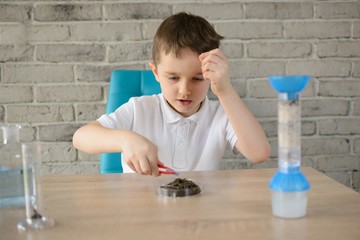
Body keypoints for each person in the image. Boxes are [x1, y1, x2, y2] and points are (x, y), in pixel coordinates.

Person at [73, 12, 271, 176]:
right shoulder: (139, 109)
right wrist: (126, 140)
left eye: (198, 78)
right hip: (141, 211)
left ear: (210, 76)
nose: (185, 90)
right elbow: (81, 137)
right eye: (173, 78)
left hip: (198, 213)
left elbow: (259, 153)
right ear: (156, 73)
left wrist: (225, 89)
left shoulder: (220, 115)